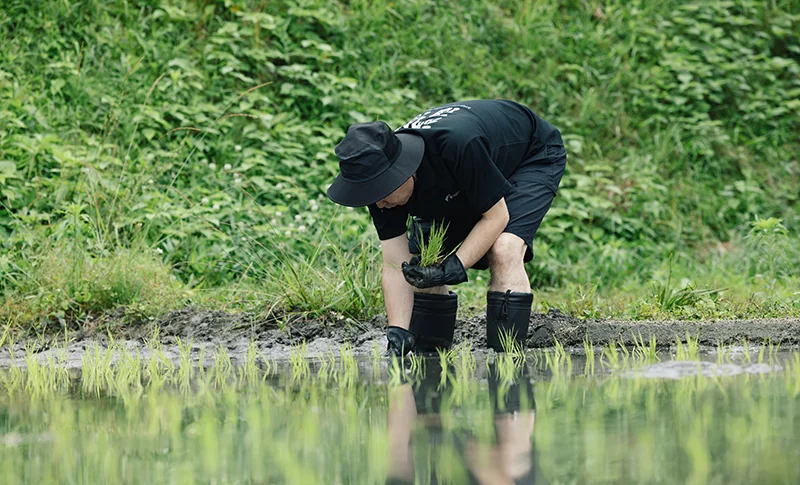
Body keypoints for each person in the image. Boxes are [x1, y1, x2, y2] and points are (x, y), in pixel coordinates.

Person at [327, 100, 566, 356]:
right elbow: (395, 264)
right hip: (465, 174)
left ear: (402, 172)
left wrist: (454, 268)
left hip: (529, 155)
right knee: (425, 261)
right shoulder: (377, 185)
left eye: (382, 191)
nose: (379, 203)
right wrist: (397, 331)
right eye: (371, 194)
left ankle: (508, 367)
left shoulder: (457, 145)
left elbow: (496, 217)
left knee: (504, 248)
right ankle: (430, 367)